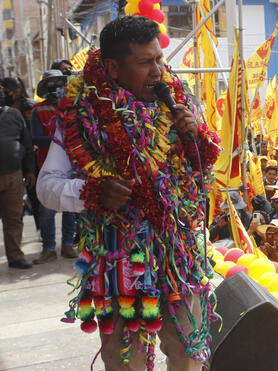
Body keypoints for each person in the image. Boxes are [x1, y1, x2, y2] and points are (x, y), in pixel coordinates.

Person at [36, 16, 221, 368]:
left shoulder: (180, 101)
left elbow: (206, 167)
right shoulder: (79, 113)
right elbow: (46, 188)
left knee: (189, 353)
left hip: (179, 258)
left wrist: (195, 135)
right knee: (126, 361)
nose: (158, 71)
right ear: (113, 67)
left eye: (159, 59)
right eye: (145, 62)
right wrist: (92, 191)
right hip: (119, 260)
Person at [31, 70, 79, 264]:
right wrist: (60, 140)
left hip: (73, 164)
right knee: (47, 210)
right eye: (51, 83)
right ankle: (49, 248)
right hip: (47, 167)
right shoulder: (38, 110)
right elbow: (35, 138)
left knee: (70, 208)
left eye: (58, 82)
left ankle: (68, 244)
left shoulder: (72, 108)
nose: (55, 87)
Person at [0, 87, 36, 269]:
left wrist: (29, 171)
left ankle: (15, 257)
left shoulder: (14, 114)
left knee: (14, 218)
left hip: (13, 175)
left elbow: (26, 143)